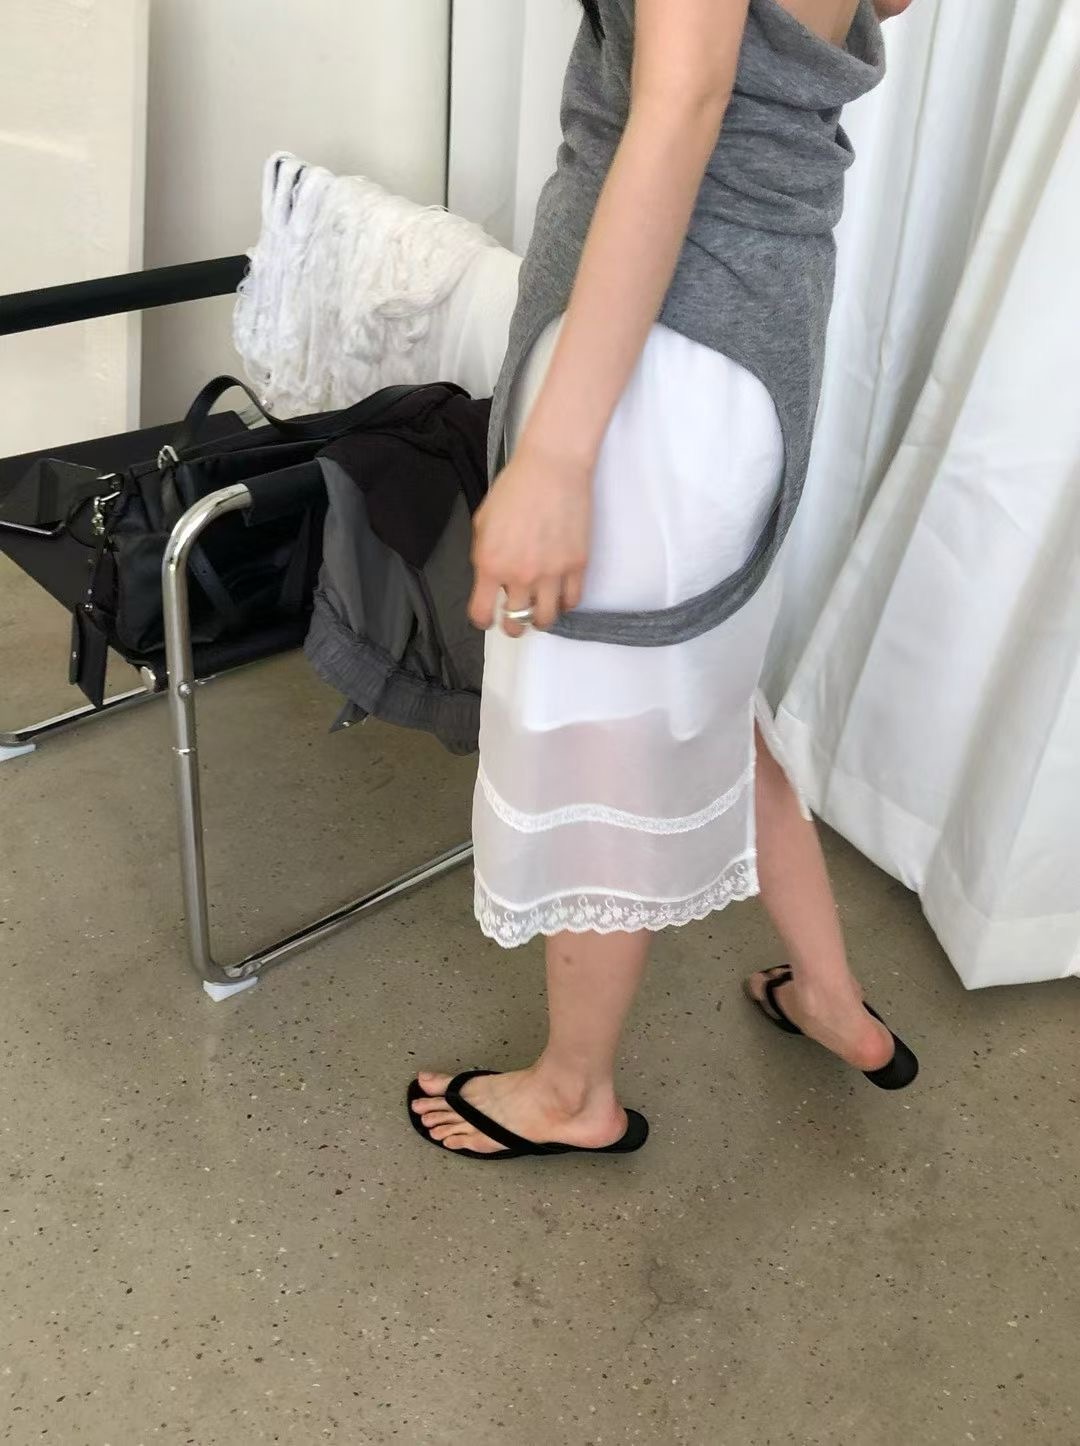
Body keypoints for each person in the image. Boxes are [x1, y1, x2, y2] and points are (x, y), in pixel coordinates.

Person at [408, 0, 918, 1162]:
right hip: (750, 336)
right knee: (704, 705)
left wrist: (554, 458)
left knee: (601, 738)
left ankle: (572, 1093)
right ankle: (831, 998)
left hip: (657, 359)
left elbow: (683, 103)